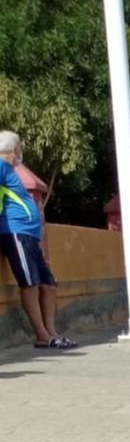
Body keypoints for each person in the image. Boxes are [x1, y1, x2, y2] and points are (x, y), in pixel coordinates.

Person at [0, 131, 74, 348]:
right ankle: (42, 335)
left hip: (29, 235)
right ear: (14, 150)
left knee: (49, 284)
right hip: (15, 232)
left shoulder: (11, 171)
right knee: (30, 283)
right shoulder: (2, 166)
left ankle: (52, 332)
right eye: (20, 149)